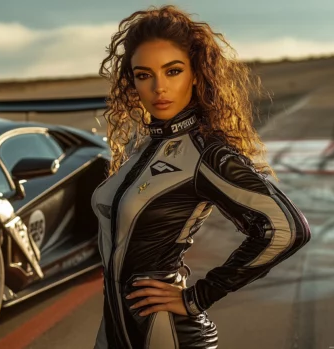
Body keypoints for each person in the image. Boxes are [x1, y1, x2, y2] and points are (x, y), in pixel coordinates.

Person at [91, 5, 311, 349]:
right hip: (115, 331)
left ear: (195, 74)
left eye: (173, 71)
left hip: (171, 335)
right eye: (144, 74)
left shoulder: (207, 153)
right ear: (131, 81)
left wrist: (197, 297)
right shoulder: (142, 144)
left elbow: (286, 228)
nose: (159, 88)